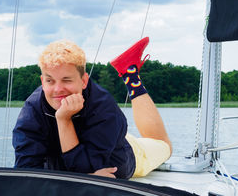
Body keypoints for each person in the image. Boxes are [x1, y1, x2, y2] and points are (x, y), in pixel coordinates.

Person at [12, 37, 172, 179]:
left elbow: (85, 170)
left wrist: (63, 119)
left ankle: (130, 74)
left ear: (83, 80)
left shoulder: (104, 107)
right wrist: (85, 177)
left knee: (164, 145)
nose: (57, 89)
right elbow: (26, 172)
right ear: (42, 81)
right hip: (101, 134)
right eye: (50, 81)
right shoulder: (32, 110)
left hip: (122, 149)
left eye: (66, 80)